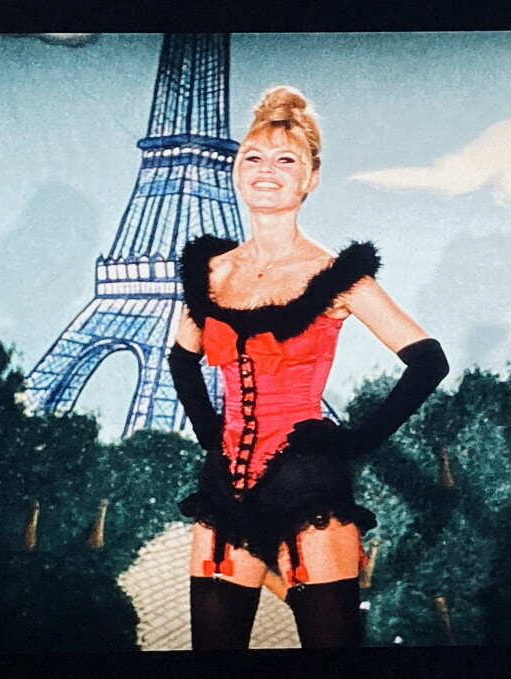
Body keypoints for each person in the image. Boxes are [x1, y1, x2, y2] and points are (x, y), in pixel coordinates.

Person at [167, 86, 448, 649]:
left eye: (286, 160)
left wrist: (355, 441)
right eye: (253, 157)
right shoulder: (212, 271)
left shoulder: (335, 276)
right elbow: (182, 358)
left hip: (307, 484)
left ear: (311, 179)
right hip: (224, 486)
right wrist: (209, 432)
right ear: (236, 171)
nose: (266, 170)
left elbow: (428, 361)